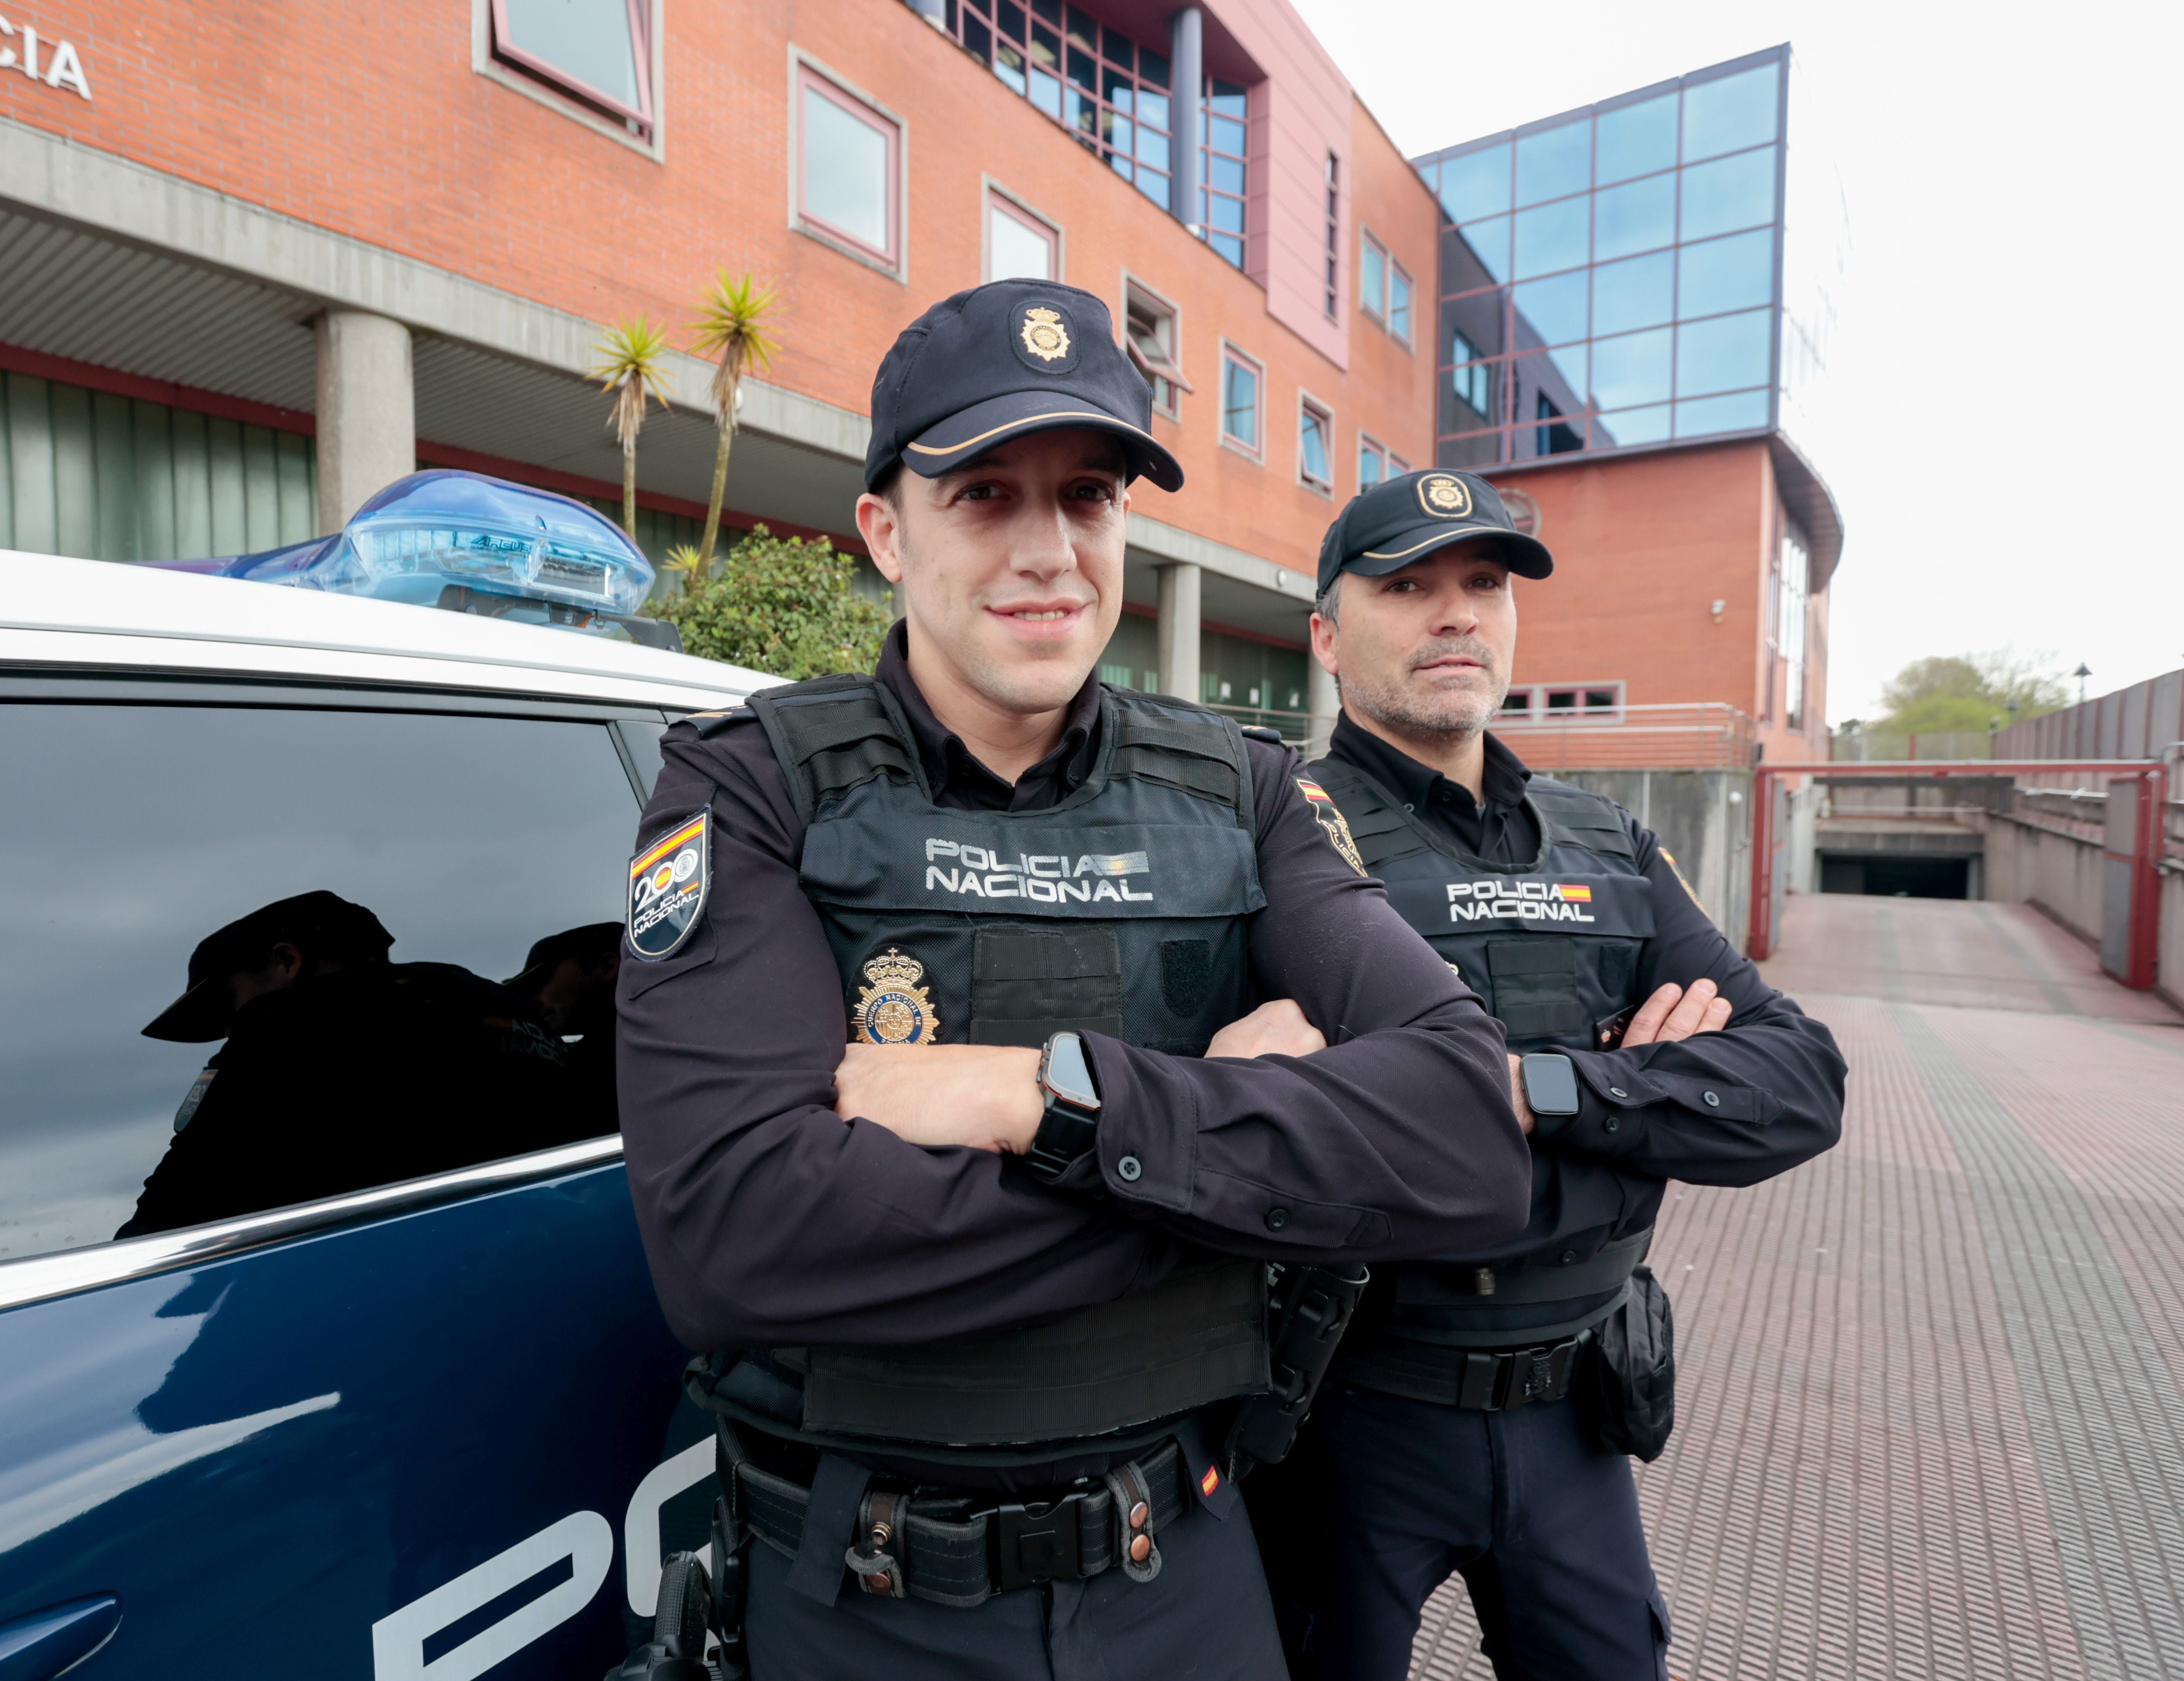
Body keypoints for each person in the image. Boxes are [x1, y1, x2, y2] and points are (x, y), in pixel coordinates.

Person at [612, 280, 1533, 1681]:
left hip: (1187, 1581)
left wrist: (1040, 1103)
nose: (1050, 549)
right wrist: (1236, 1168)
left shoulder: (1243, 794)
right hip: (867, 1600)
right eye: (984, 493)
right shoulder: (750, 787)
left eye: (1089, 495)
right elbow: (736, 1238)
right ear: (885, 528)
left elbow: (1469, 1138)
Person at [1256, 470, 1848, 1680]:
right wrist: (1639, 1123)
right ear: (1326, 632)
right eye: (1408, 585)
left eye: (1483, 583)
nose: (1457, 614)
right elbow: (1298, 1143)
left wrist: (1549, 1093)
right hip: (1347, 1409)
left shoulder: (1611, 845)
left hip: (1576, 1415)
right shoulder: (1277, 836)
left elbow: (1799, 1083)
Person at [119, 892, 607, 1237]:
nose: (232, 1030)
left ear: (288, 962)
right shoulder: (498, 1007)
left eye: (229, 1007)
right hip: (594, 1250)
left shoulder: (286, 1029)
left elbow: (172, 1212)